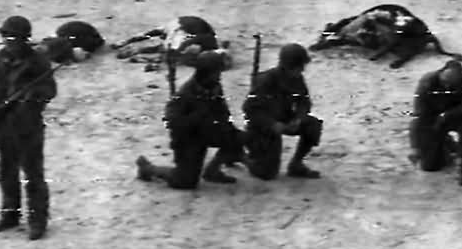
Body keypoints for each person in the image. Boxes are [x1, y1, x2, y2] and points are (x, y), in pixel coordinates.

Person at [0, 15, 58, 241]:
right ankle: (10, 215)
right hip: (4, 125)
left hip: (28, 127)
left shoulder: (38, 62)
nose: (7, 41)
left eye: (12, 37)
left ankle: (37, 221)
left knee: (33, 175)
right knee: (7, 172)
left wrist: (30, 100)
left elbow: (49, 91)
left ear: (24, 39)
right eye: (4, 36)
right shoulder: (0, 58)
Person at [136, 51, 246, 188]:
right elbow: (173, 122)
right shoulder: (185, 94)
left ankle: (213, 170)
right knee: (185, 181)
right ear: (205, 73)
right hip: (189, 140)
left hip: (207, 130)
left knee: (237, 137)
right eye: (215, 72)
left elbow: (222, 111)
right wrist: (198, 117)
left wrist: (229, 133)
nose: (218, 76)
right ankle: (148, 169)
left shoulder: (214, 86)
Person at [242, 43, 324, 180]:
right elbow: (249, 110)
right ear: (289, 66)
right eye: (300, 66)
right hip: (262, 127)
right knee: (267, 173)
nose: (303, 69)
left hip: (284, 118)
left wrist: (298, 118)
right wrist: (271, 124)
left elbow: (304, 101)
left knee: (313, 125)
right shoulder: (265, 80)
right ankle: (241, 156)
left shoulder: (297, 79)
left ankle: (296, 164)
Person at [408, 59, 462, 186]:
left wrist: (447, 115)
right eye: (445, 82)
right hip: (433, 119)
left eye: (452, 84)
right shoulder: (427, 82)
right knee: (429, 166)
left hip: (455, 117)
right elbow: (419, 116)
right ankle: (446, 145)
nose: (447, 86)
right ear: (441, 73)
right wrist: (415, 146)